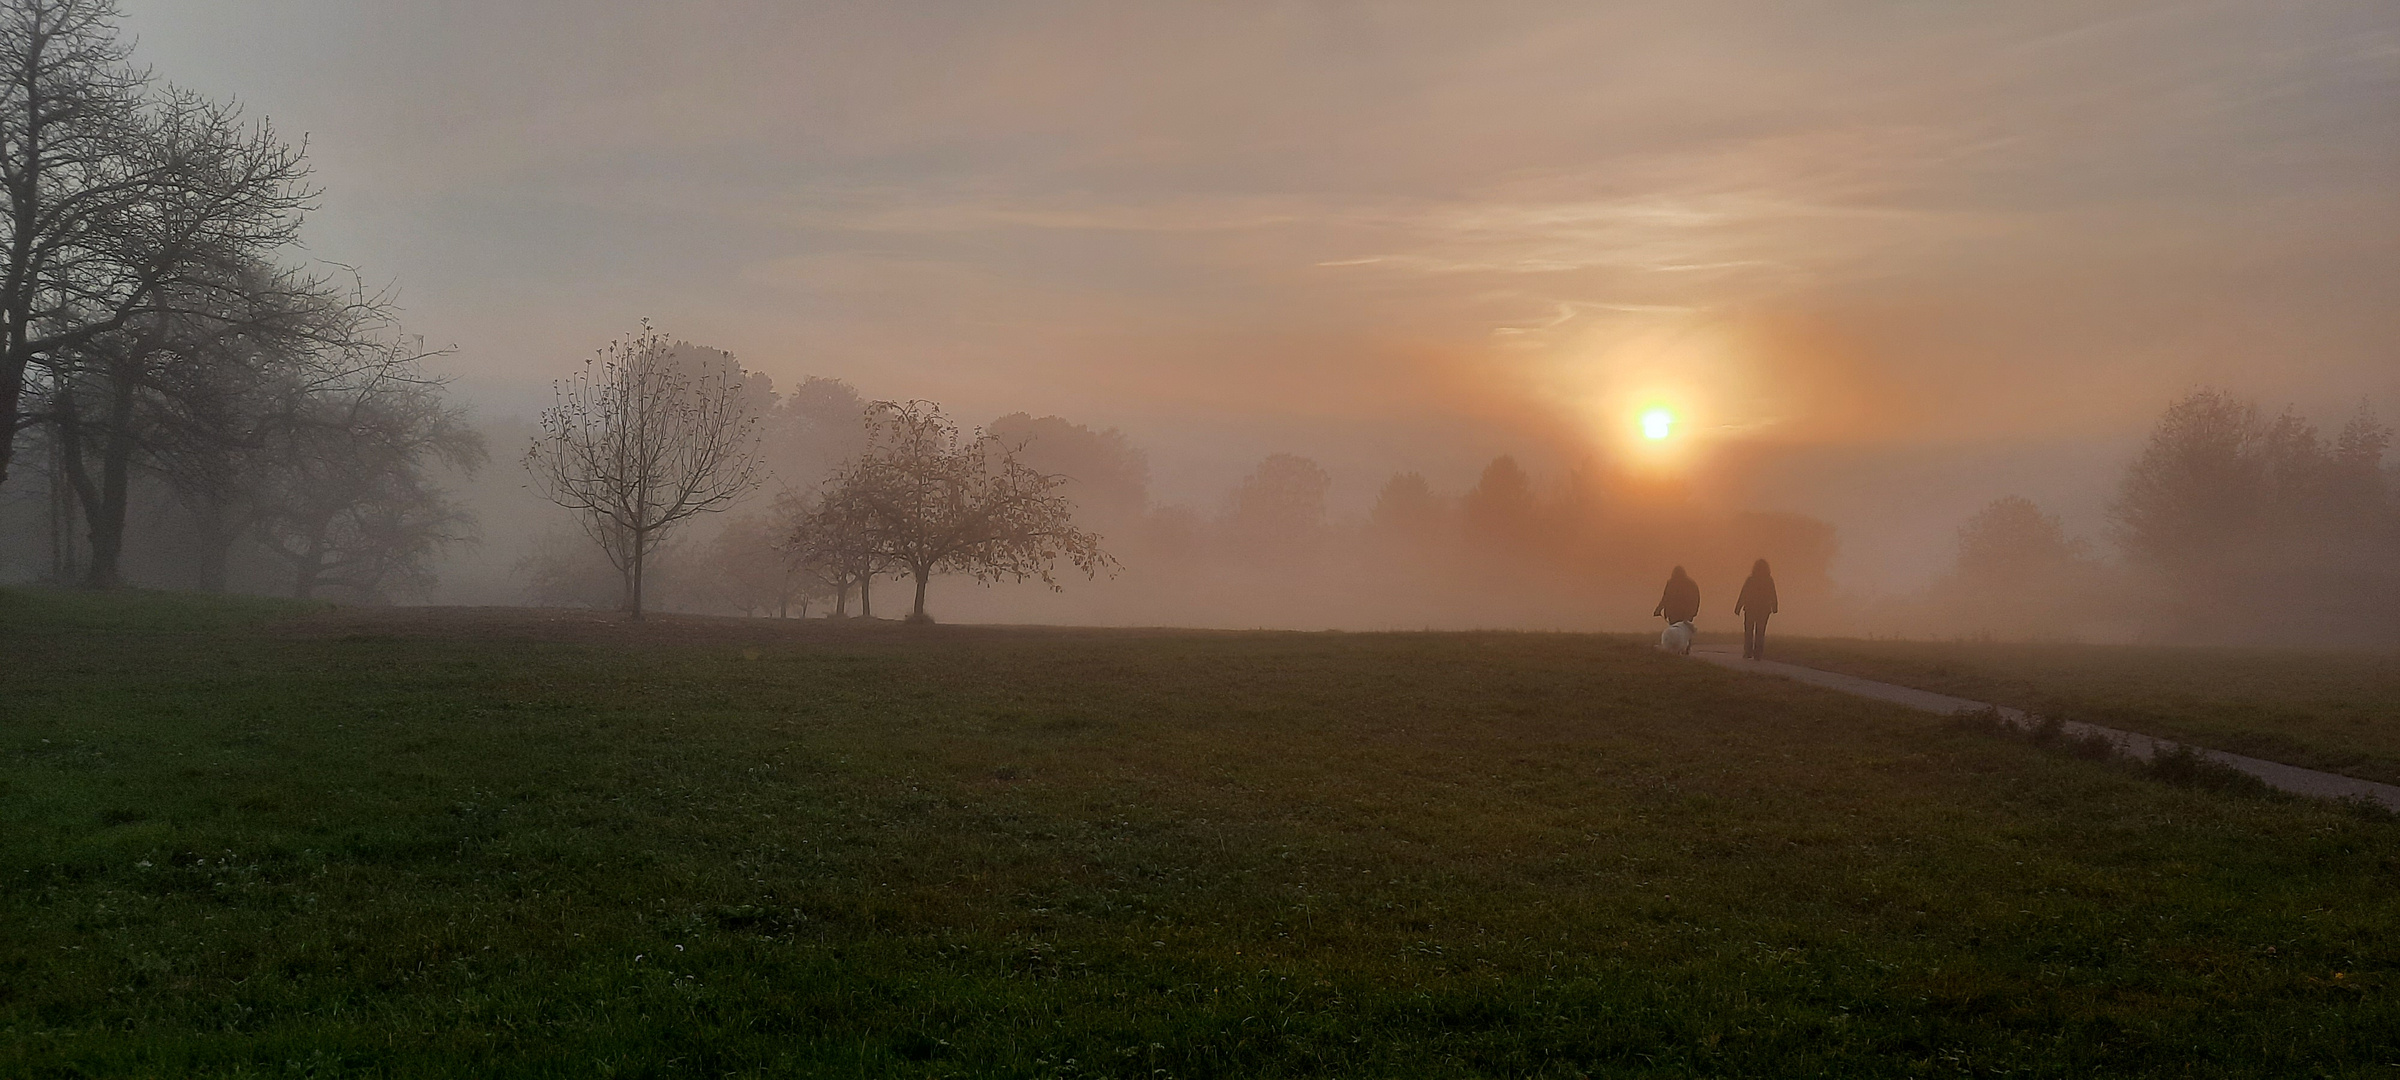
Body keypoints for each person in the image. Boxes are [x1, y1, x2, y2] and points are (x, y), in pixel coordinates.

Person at [1734, 558, 1778, 660]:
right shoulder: (1769, 580)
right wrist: (1775, 606)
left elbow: (1743, 593)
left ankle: (1748, 651)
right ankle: (1758, 653)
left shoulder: (1751, 579)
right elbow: (1773, 594)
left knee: (1749, 630)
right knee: (1760, 631)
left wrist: (1738, 607)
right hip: (1764, 609)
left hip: (1750, 608)